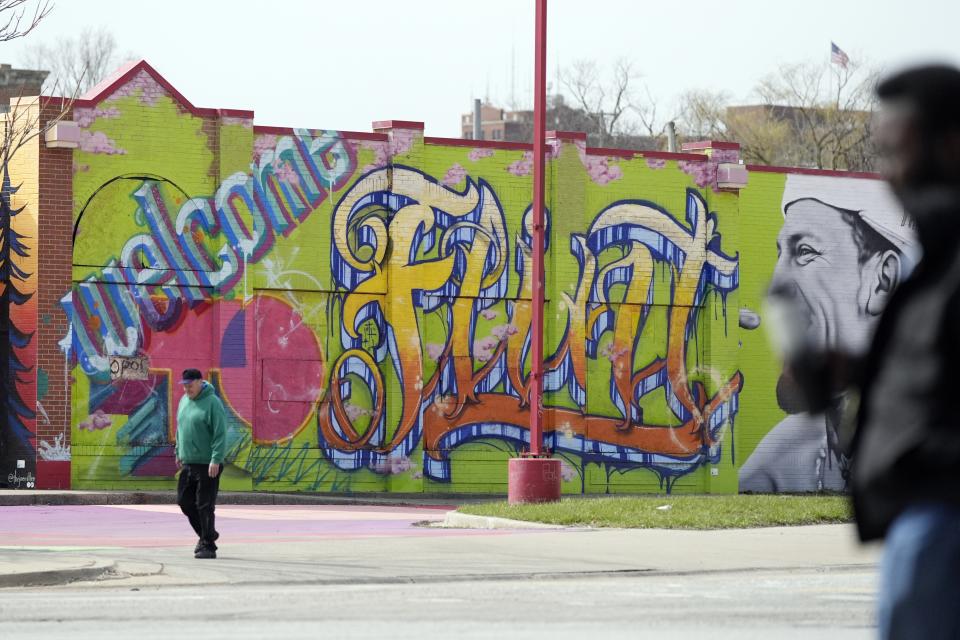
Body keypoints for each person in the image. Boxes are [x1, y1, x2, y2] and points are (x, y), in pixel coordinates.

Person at [782, 65, 960, 639]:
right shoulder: (930, 256)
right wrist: (849, 371)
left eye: (900, 153)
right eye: (881, 154)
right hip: (919, 516)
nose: (890, 174)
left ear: (951, 146)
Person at [739, 175, 917, 492]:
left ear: (882, 281)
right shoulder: (776, 464)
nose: (778, 280)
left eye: (806, 251)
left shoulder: (929, 442)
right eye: (781, 253)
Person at [175, 368, 227, 559]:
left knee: (204, 504)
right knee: (184, 501)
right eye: (184, 385)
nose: (187, 388)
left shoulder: (213, 403)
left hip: (208, 464)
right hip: (188, 462)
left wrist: (216, 458)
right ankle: (208, 534)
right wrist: (178, 451)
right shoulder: (184, 401)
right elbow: (180, 427)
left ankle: (208, 545)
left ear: (200, 382)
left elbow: (220, 432)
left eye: (190, 384)